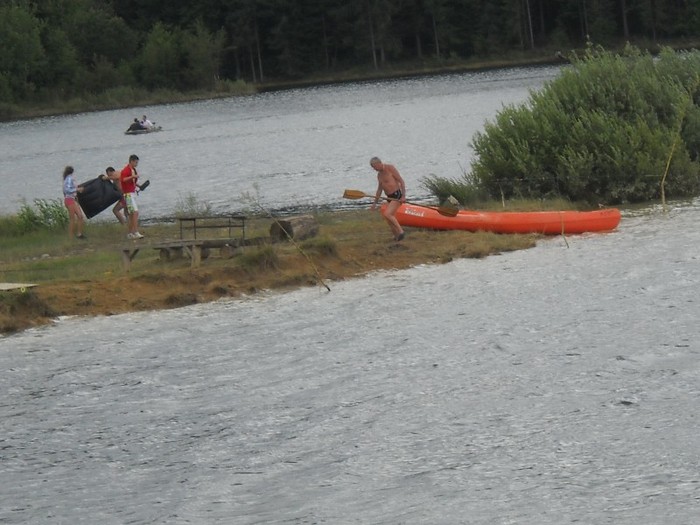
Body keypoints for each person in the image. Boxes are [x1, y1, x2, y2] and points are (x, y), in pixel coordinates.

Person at [370, 156, 406, 241]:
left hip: (397, 195)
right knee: (389, 218)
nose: (374, 169)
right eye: (373, 168)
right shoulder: (379, 175)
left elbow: (401, 181)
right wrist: (375, 203)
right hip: (389, 197)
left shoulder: (390, 168)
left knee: (387, 214)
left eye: (374, 167)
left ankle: (401, 232)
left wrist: (403, 196)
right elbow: (379, 190)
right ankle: (397, 236)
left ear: (379, 163)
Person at [120, 154, 144, 239]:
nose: (136, 164)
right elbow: (123, 179)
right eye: (136, 162)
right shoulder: (125, 170)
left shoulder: (133, 170)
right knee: (135, 212)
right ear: (131, 161)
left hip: (132, 193)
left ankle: (130, 233)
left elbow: (132, 181)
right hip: (128, 195)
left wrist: (138, 185)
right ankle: (135, 232)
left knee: (131, 214)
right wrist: (132, 176)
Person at [62, 165, 86, 239]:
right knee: (73, 218)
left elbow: (65, 191)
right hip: (70, 200)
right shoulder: (69, 179)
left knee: (80, 216)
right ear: (72, 172)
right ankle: (71, 236)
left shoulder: (66, 179)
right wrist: (77, 190)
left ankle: (79, 234)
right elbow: (67, 190)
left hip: (70, 199)